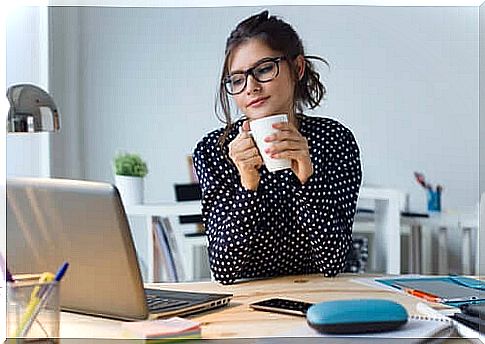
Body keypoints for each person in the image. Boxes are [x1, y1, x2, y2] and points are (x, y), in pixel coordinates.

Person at [193, 11, 362, 285]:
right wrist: (248, 185)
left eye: (263, 69)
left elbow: (333, 262)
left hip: (322, 293)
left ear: (297, 68)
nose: (251, 87)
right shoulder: (215, 150)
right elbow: (223, 270)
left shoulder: (334, 140)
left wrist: (306, 179)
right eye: (237, 80)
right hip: (249, 299)